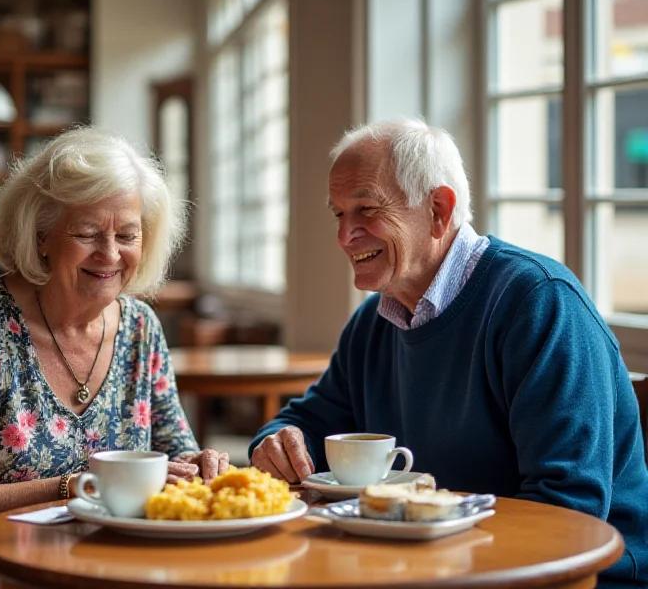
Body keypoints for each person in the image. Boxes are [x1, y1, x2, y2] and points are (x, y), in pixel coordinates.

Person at [249, 119, 648, 586]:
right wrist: (277, 443)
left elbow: (565, 508)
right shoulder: (373, 322)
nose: (344, 236)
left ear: (438, 209)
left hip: (576, 576)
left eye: (366, 210)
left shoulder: (539, 303)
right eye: (338, 214)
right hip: (424, 568)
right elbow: (308, 424)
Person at [0, 127, 229, 589]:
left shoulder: (141, 328)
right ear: (40, 236)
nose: (110, 253)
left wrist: (200, 466)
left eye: (127, 234)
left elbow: (175, 453)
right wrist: (74, 487)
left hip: (95, 558)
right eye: (87, 232)